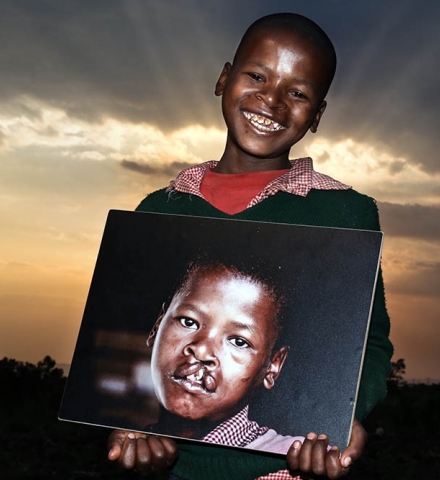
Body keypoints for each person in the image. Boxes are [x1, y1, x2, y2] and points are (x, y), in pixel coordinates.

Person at [107, 12, 393, 480]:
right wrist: (129, 433)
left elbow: (371, 342)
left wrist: (340, 419)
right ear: (224, 78)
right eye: (257, 76)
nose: (272, 101)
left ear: (317, 114)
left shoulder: (345, 214)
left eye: (297, 93)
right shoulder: (161, 209)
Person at [144, 259, 302, 454]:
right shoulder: (126, 443)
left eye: (239, 342)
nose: (201, 352)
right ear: (157, 326)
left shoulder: (290, 460)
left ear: (273, 366)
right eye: (188, 322)